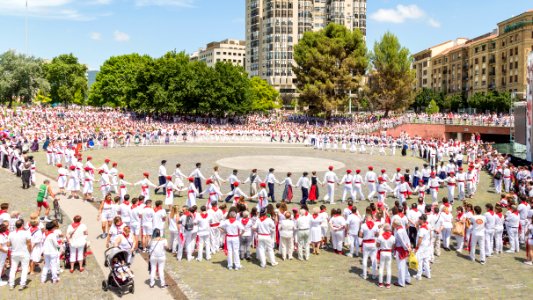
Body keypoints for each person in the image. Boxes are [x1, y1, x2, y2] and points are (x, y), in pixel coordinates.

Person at [7, 219, 31, 290]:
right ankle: (22, 284)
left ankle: (11, 284)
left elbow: (8, 244)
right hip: (24, 253)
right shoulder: (26, 233)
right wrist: (30, 251)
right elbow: (29, 244)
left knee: (13, 269)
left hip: (14, 253)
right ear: (22, 225)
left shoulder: (11, 234)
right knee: (24, 268)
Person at [359, 211, 379, 280]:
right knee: (374, 259)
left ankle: (364, 274)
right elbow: (377, 234)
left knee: (365, 258)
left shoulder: (363, 225)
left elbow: (360, 235)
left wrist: (365, 235)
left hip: (366, 243)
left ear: (366, 218)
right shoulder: (375, 225)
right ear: (371, 218)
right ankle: (374, 274)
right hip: (373, 243)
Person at [393, 219, 412, 287]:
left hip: (401, 250)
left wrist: (407, 248)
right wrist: (409, 246)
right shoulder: (403, 229)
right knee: (404, 266)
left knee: (400, 266)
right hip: (405, 248)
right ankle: (407, 279)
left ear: (395, 225)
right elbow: (407, 239)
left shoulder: (398, 232)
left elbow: (402, 241)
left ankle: (401, 282)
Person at [376, 224, 395, 288]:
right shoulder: (392, 237)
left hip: (382, 252)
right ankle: (388, 283)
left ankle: (380, 283)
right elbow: (393, 246)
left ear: (384, 230)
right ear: (389, 230)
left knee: (381, 267)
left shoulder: (380, 237)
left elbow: (377, 245)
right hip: (389, 252)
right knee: (388, 268)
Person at [414, 214, 432, 280]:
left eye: (419, 219)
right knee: (426, 261)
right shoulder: (427, 226)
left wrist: (416, 247)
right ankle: (428, 274)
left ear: (422, 220)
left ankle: (419, 275)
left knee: (419, 260)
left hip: (422, 246)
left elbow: (420, 239)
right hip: (427, 245)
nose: (418, 220)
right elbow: (430, 235)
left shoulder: (422, 229)